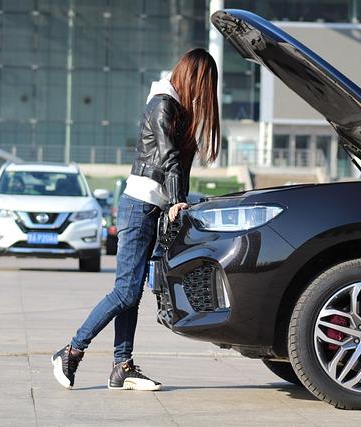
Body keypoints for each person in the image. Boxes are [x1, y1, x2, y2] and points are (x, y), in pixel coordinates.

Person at [52, 48, 220, 391]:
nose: (205, 96)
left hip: (150, 210)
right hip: (138, 207)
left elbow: (177, 163)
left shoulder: (175, 109)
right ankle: (70, 351)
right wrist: (177, 200)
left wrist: (176, 203)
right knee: (126, 292)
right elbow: (169, 157)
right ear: (193, 79)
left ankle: (122, 366)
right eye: (204, 86)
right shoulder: (162, 105)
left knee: (131, 292)